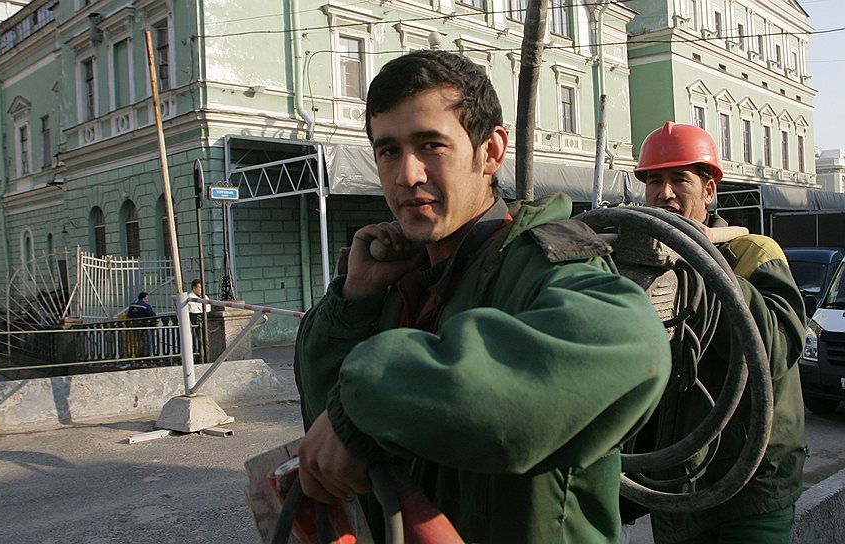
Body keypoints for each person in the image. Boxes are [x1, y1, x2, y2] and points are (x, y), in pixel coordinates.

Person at [294, 49, 671, 543]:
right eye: (388, 151)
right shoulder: (399, 283)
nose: (407, 174)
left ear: (490, 151)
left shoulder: (542, 264)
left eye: (430, 145)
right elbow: (326, 434)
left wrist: (371, 398)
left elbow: (633, 348)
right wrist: (354, 300)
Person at [632, 121, 807, 543]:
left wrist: (707, 266)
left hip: (751, 486)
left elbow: (777, 350)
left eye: (680, 179)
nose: (665, 193)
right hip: (678, 485)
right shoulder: (648, 264)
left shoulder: (753, 254)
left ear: (709, 191)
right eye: (654, 181)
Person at [127, 291, 157, 356]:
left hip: (134, 327)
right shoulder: (146, 306)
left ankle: (138, 355)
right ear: (144, 298)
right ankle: (147, 355)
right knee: (147, 342)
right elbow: (152, 316)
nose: (148, 300)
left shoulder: (132, 305)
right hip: (144, 326)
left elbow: (129, 315)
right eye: (147, 298)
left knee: (136, 343)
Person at [188, 279, 210, 361]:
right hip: (196, 323)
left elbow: (208, 308)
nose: (202, 289)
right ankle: (199, 358)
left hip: (205, 322)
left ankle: (206, 356)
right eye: (200, 287)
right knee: (198, 341)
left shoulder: (205, 296)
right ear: (194, 288)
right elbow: (193, 310)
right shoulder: (190, 297)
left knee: (205, 341)